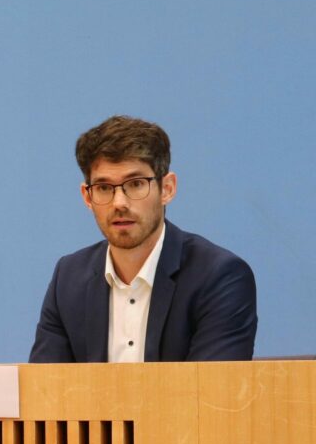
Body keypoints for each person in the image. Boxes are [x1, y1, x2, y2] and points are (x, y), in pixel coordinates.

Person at [30, 115, 257, 363]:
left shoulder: (218, 276)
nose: (120, 203)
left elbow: (209, 396)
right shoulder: (69, 277)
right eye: (104, 187)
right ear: (87, 196)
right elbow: (46, 391)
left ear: (167, 189)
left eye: (136, 184)